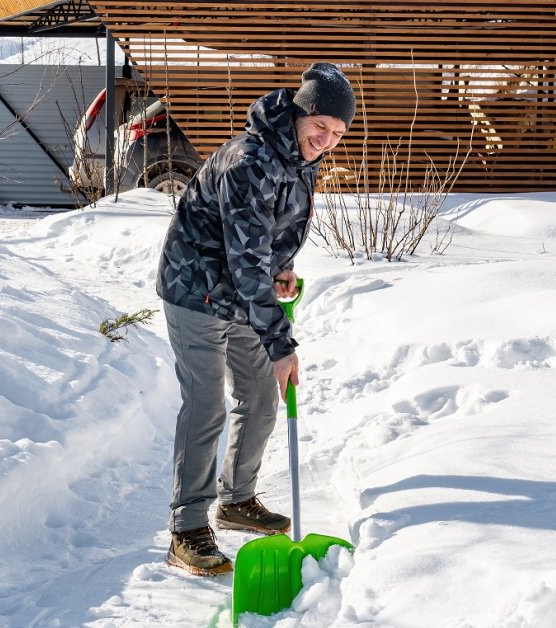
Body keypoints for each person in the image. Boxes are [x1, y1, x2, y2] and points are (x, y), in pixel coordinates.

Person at [155, 62, 355, 576]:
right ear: (299, 112)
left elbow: (269, 236)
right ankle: (187, 528)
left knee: (263, 392)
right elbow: (245, 261)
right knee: (205, 405)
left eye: (337, 133)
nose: (326, 140)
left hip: (242, 292)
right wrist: (281, 341)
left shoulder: (298, 156)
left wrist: (281, 268)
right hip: (195, 289)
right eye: (321, 127)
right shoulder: (250, 161)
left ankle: (236, 499)